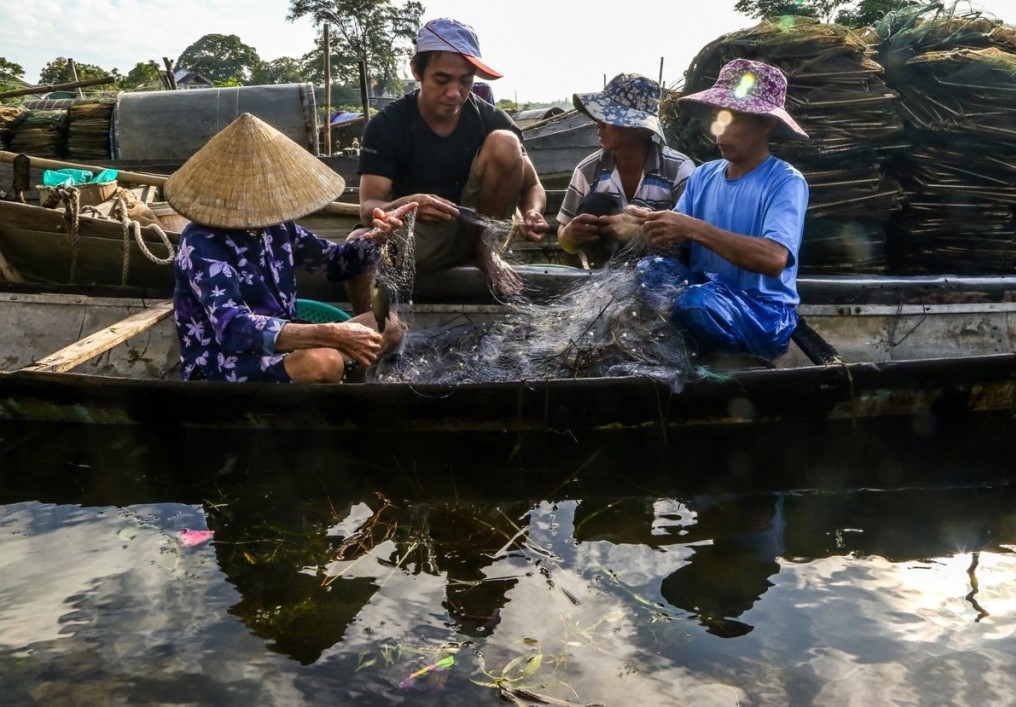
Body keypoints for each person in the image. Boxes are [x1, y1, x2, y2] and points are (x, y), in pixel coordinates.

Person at [166, 112, 412, 384]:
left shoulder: (277, 227)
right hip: (222, 362)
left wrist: (378, 236)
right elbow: (234, 328)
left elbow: (333, 263)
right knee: (323, 361)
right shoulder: (201, 242)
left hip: (286, 345)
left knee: (389, 327)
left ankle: (340, 377)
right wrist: (326, 334)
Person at [355, 17, 549, 297]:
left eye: (465, 81)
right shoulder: (387, 125)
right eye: (442, 80)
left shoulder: (489, 117)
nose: (454, 93)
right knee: (357, 246)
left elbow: (532, 186)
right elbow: (367, 209)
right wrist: (409, 204)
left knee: (506, 143)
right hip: (421, 237)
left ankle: (486, 252)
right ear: (417, 72)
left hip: (482, 231)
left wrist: (533, 211)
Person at [636, 58, 810, 361]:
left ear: (766, 124)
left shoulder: (785, 182)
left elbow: (773, 259)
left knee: (695, 304)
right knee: (649, 273)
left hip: (762, 313)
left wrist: (693, 228)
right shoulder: (704, 176)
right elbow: (675, 236)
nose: (720, 133)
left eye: (734, 121)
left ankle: (738, 363)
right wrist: (640, 223)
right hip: (707, 294)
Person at [556, 73, 695, 266]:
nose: (599, 124)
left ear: (639, 128)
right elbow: (563, 237)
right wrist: (570, 235)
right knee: (595, 204)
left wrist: (641, 232)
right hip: (605, 277)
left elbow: (693, 240)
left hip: (664, 276)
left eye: (609, 118)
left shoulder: (678, 170)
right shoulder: (588, 170)